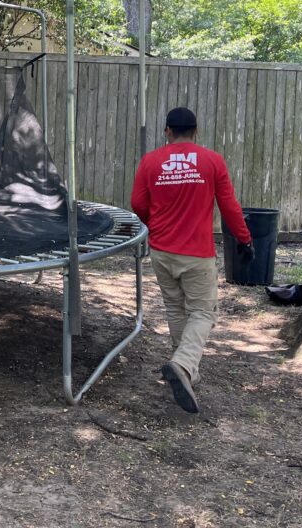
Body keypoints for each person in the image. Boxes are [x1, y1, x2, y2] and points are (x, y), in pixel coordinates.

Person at [130, 107, 253, 414]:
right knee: (203, 312)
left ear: (167, 131)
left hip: (161, 250)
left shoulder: (150, 162)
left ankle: (186, 371)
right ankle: (184, 365)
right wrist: (244, 238)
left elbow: (137, 204)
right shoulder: (212, 161)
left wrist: (154, 224)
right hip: (197, 253)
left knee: (176, 307)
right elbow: (229, 206)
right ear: (196, 131)